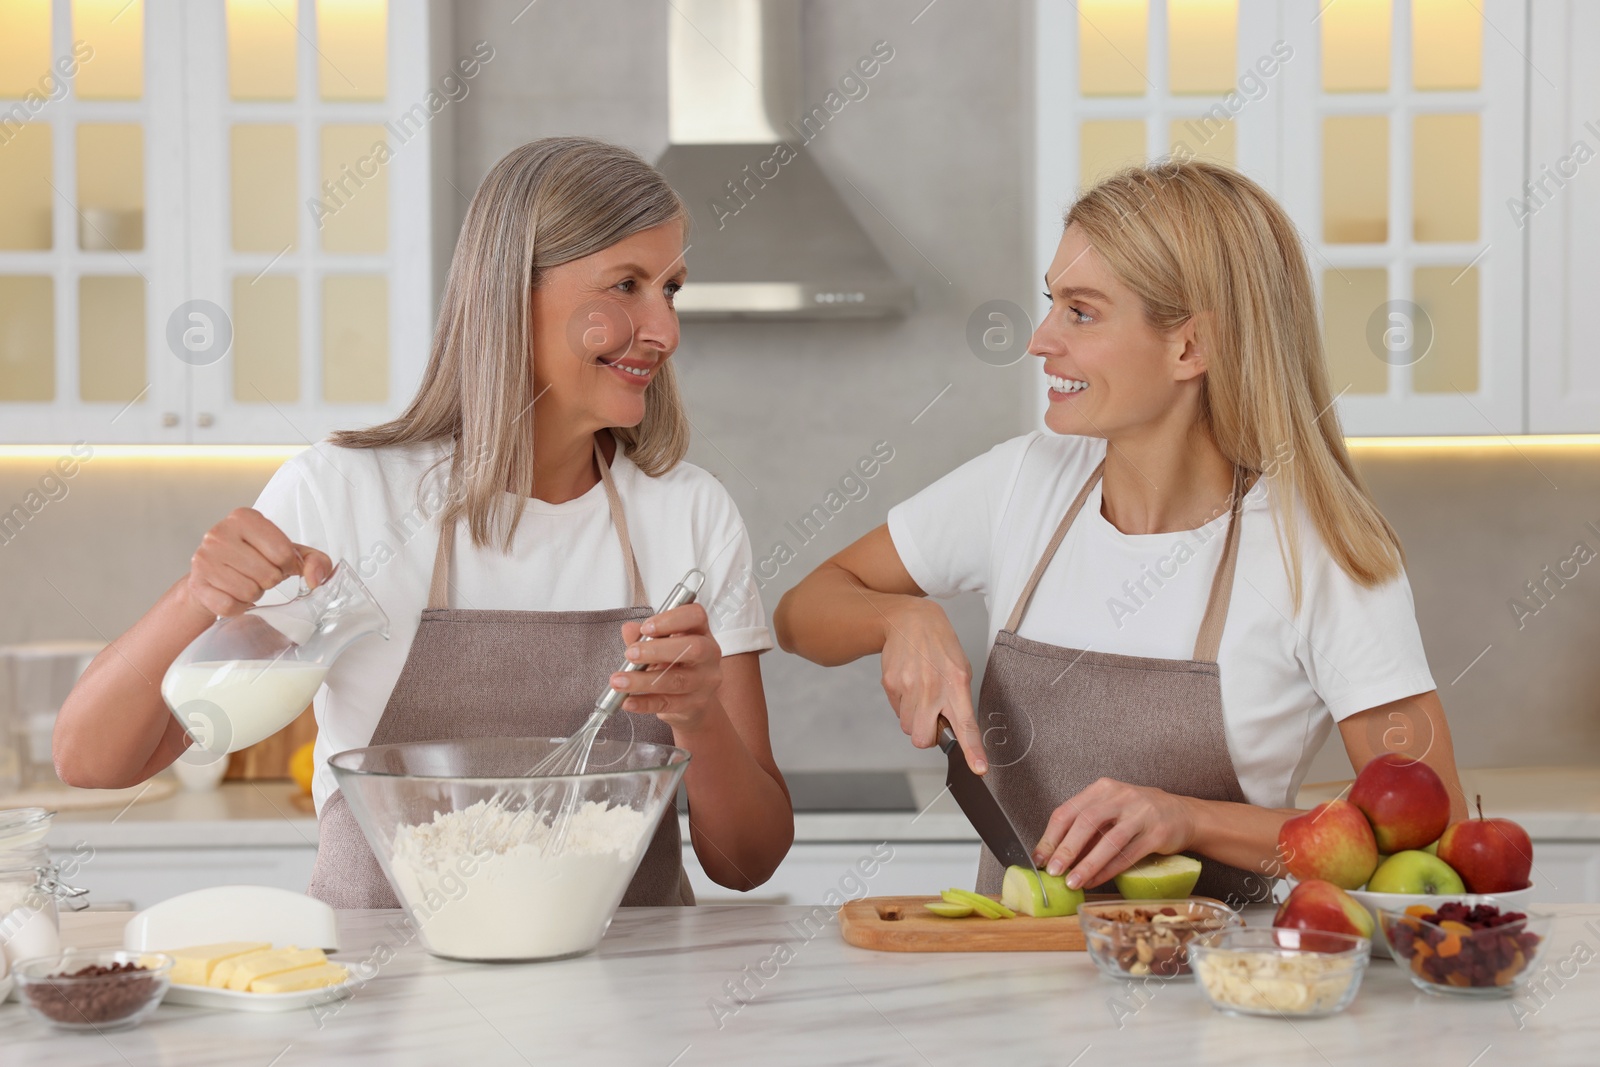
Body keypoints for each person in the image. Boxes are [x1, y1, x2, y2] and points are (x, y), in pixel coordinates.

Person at [55, 137, 793, 906]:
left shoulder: (688, 513)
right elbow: (92, 760)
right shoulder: (342, 497)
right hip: (389, 1010)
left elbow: (747, 862)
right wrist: (196, 597)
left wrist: (700, 722)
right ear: (513, 291)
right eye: (627, 285)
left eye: (670, 289)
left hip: (628, 1005)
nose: (664, 331)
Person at [774, 159, 1467, 904]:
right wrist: (898, 616)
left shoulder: (1322, 552)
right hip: (1008, 993)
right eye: (1052, 304)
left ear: (1189, 348)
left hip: (1226, 994)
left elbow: (1429, 841)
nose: (1040, 340)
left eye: (1081, 311)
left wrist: (1187, 818)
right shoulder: (1021, 484)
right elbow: (800, 611)